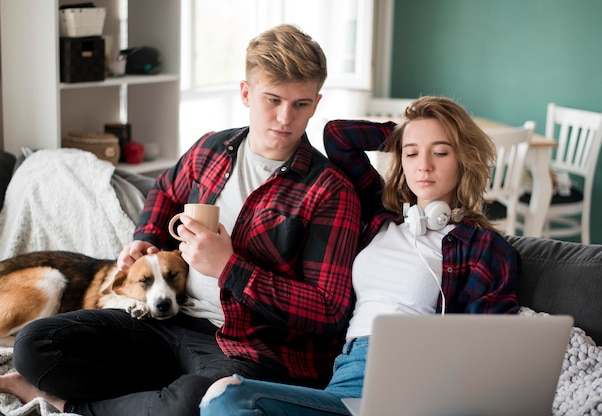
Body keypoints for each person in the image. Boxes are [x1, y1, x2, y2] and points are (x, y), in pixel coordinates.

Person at [0, 24, 361, 415]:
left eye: (300, 104)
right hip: (169, 319)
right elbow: (164, 190)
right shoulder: (213, 149)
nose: (285, 118)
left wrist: (230, 267)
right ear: (246, 93)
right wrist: (145, 237)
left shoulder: (330, 191)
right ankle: (147, 397)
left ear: (316, 103)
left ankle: (66, 403)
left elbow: (328, 311)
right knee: (34, 344)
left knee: (190, 405)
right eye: (273, 99)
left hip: (246, 345)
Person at [198, 96, 522, 415]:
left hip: (408, 383)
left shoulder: (486, 249)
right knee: (225, 395)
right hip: (344, 385)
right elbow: (339, 136)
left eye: (440, 151)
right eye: (411, 153)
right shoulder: (383, 215)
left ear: (464, 158)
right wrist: (407, 130)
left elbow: (485, 359)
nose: (423, 165)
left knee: (229, 398)